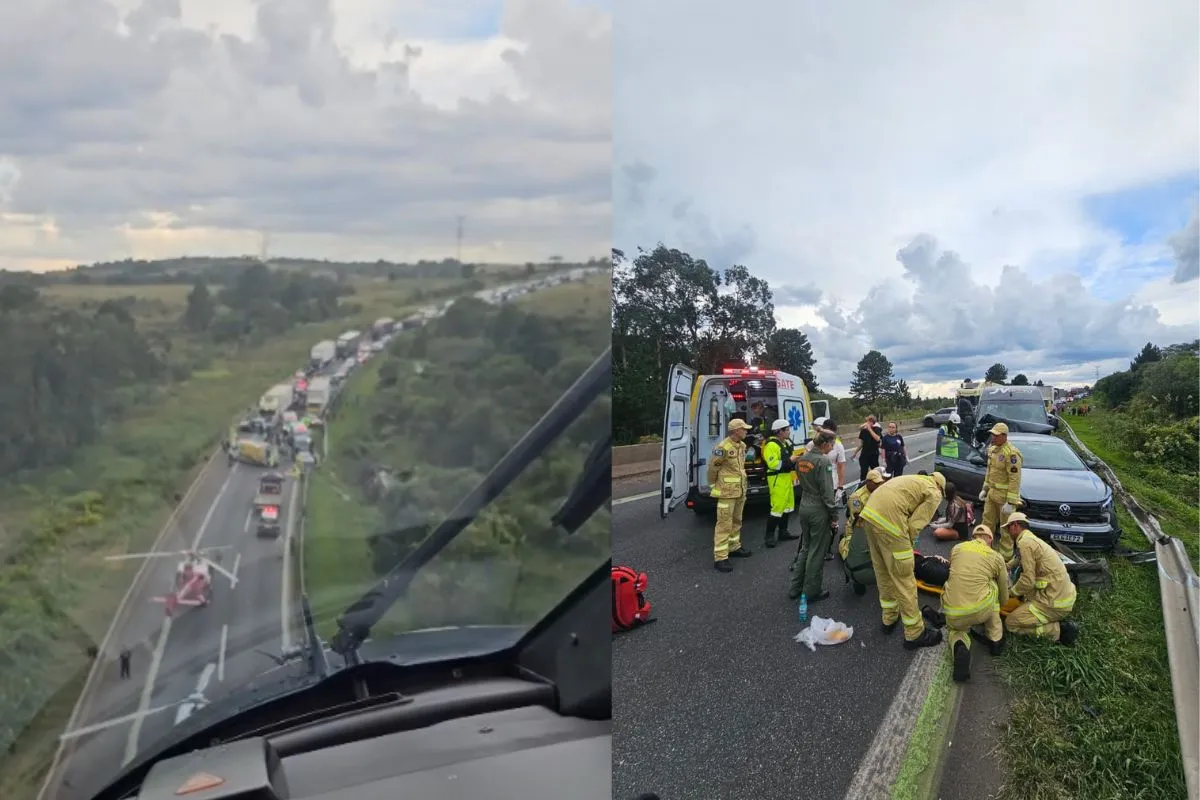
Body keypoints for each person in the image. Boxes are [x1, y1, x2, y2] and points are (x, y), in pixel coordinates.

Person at [860, 472, 947, 649]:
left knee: (883, 572)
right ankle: (914, 634)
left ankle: (889, 618)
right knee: (905, 579)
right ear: (941, 487)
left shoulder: (914, 480)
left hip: (869, 517)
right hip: (890, 525)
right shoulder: (934, 492)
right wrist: (907, 546)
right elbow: (915, 524)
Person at [942, 524, 1009, 682]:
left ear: (973, 537)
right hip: (980, 611)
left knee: (956, 630)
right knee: (993, 586)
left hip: (952, 611)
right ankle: (995, 639)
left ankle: (960, 646)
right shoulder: (996, 557)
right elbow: (1004, 594)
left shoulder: (957, 548)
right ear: (990, 540)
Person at [1003, 512, 1079, 646]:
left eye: (1008, 528)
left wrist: (1009, 593)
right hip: (1060, 595)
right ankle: (1048, 619)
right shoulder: (1030, 540)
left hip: (1053, 602)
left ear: (1015, 525)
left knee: (1011, 623)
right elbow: (1018, 558)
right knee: (1022, 604)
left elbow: (1028, 580)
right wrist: (1005, 566)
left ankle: (1057, 631)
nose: (1008, 532)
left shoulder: (1025, 543)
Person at [788, 432, 839, 601]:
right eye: (832, 444)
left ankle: (795, 587)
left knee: (806, 547)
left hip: (805, 505)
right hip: (818, 508)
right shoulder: (823, 461)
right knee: (817, 551)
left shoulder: (802, 458)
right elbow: (826, 492)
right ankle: (811, 591)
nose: (832, 447)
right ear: (825, 444)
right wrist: (834, 515)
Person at [710, 418, 754, 572]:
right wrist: (712, 485)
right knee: (724, 524)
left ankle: (734, 547)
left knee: (737, 520)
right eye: (744, 429)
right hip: (727, 492)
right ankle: (720, 557)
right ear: (736, 431)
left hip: (740, 491)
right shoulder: (722, 447)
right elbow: (713, 467)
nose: (746, 431)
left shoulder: (742, 445)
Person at [980, 422, 1023, 563]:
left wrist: (1011, 502)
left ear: (1004, 436)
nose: (993, 437)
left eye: (997, 435)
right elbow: (989, 472)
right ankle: (984, 550)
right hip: (992, 494)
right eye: (993, 435)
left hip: (1005, 498)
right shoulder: (992, 450)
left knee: (1006, 529)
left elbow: (1014, 479)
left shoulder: (1011, 454)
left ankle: (1005, 559)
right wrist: (985, 488)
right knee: (987, 522)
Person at [763, 419, 801, 548]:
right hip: (777, 479)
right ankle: (769, 536)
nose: (789, 432)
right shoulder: (772, 445)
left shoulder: (783, 443)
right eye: (787, 430)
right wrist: (790, 460)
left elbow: (786, 462)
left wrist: (793, 461)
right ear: (780, 432)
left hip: (785, 478)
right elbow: (773, 464)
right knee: (777, 508)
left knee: (787, 506)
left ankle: (783, 532)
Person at [852, 414, 884, 483]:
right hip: (864, 454)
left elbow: (878, 439)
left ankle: (876, 485)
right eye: (867, 421)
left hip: (874, 454)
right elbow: (861, 443)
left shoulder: (877, 429)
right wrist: (855, 452)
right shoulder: (863, 431)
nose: (867, 423)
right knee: (863, 472)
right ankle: (862, 485)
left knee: (875, 471)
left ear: (873, 422)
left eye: (869, 421)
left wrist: (869, 429)